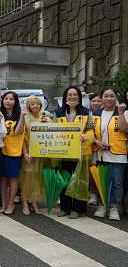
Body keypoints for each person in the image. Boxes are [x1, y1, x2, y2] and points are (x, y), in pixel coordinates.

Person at [54, 85, 94, 219]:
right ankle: (65, 207)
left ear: (79, 97)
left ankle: (78, 209)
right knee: (64, 179)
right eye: (69, 95)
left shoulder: (85, 111)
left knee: (79, 180)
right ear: (65, 97)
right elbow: (52, 129)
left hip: (80, 152)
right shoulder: (58, 112)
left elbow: (90, 129)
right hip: (63, 152)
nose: (72, 97)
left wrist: (86, 137)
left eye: (75, 95)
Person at [92, 87, 127, 220]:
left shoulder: (123, 112)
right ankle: (102, 205)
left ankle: (114, 207)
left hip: (118, 153)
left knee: (117, 182)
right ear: (101, 98)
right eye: (106, 96)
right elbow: (90, 131)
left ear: (116, 97)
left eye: (111, 96)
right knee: (102, 181)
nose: (108, 99)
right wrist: (96, 142)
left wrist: (121, 113)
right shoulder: (95, 113)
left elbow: (123, 128)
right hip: (100, 153)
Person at [18, 95, 47, 215]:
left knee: (38, 179)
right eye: (32, 104)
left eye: (37, 103)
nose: (35, 106)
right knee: (27, 178)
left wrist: (46, 124)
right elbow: (22, 137)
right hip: (29, 151)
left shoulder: (45, 117)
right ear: (28, 105)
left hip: (41, 152)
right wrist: (25, 152)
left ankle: (35, 203)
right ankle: (25, 203)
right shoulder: (26, 118)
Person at [0, 91, 23, 215]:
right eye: (6, 99)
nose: (8, 101)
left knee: (12, 178)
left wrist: (22, 119)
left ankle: (11, 203)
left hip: (14, 151)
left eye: (11, 99)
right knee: (2, 178)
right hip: (0, 149)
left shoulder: (19, 115)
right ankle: (2, 203)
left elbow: (18, 132)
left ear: (15, 102)